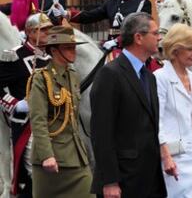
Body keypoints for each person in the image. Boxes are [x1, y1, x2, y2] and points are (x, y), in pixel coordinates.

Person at [90, 13, 166, 198]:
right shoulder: (110, 74)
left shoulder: (149, 76)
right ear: (139, 37)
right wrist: (110, 181)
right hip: (123, 180)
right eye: (155, 33)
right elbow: (101, 133)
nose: (159, 37)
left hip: (150, 178)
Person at [27, 25, 94, 198]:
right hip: (52, 158)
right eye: (68, 48)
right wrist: (47, 155)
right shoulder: (41, 79)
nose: (74, 51)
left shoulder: (73, 76)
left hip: (76, 157)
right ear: (54, 50)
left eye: (74, 47)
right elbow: (38, 121)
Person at [154, 24, 192, 197]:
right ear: (175, 50)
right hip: (174, 159)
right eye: (190, 48)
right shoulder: (160, 77)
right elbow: (156, 121)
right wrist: (166, 157)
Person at [0, 13, 52, 197]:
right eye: (43, 30)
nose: (49, 33)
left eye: (49, 29)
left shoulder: (52, 55)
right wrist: (14, 103)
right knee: (37, 173)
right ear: (30, 32)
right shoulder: (14, 56)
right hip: (27, 125)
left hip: (52, 124)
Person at [69, 0, 152, 51]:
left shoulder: (142, 3)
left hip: (132, 49)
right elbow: (91, 16)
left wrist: (116, 41)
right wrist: (67, 14)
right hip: (111, 47)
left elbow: (139, 29)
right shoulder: (112, 2)